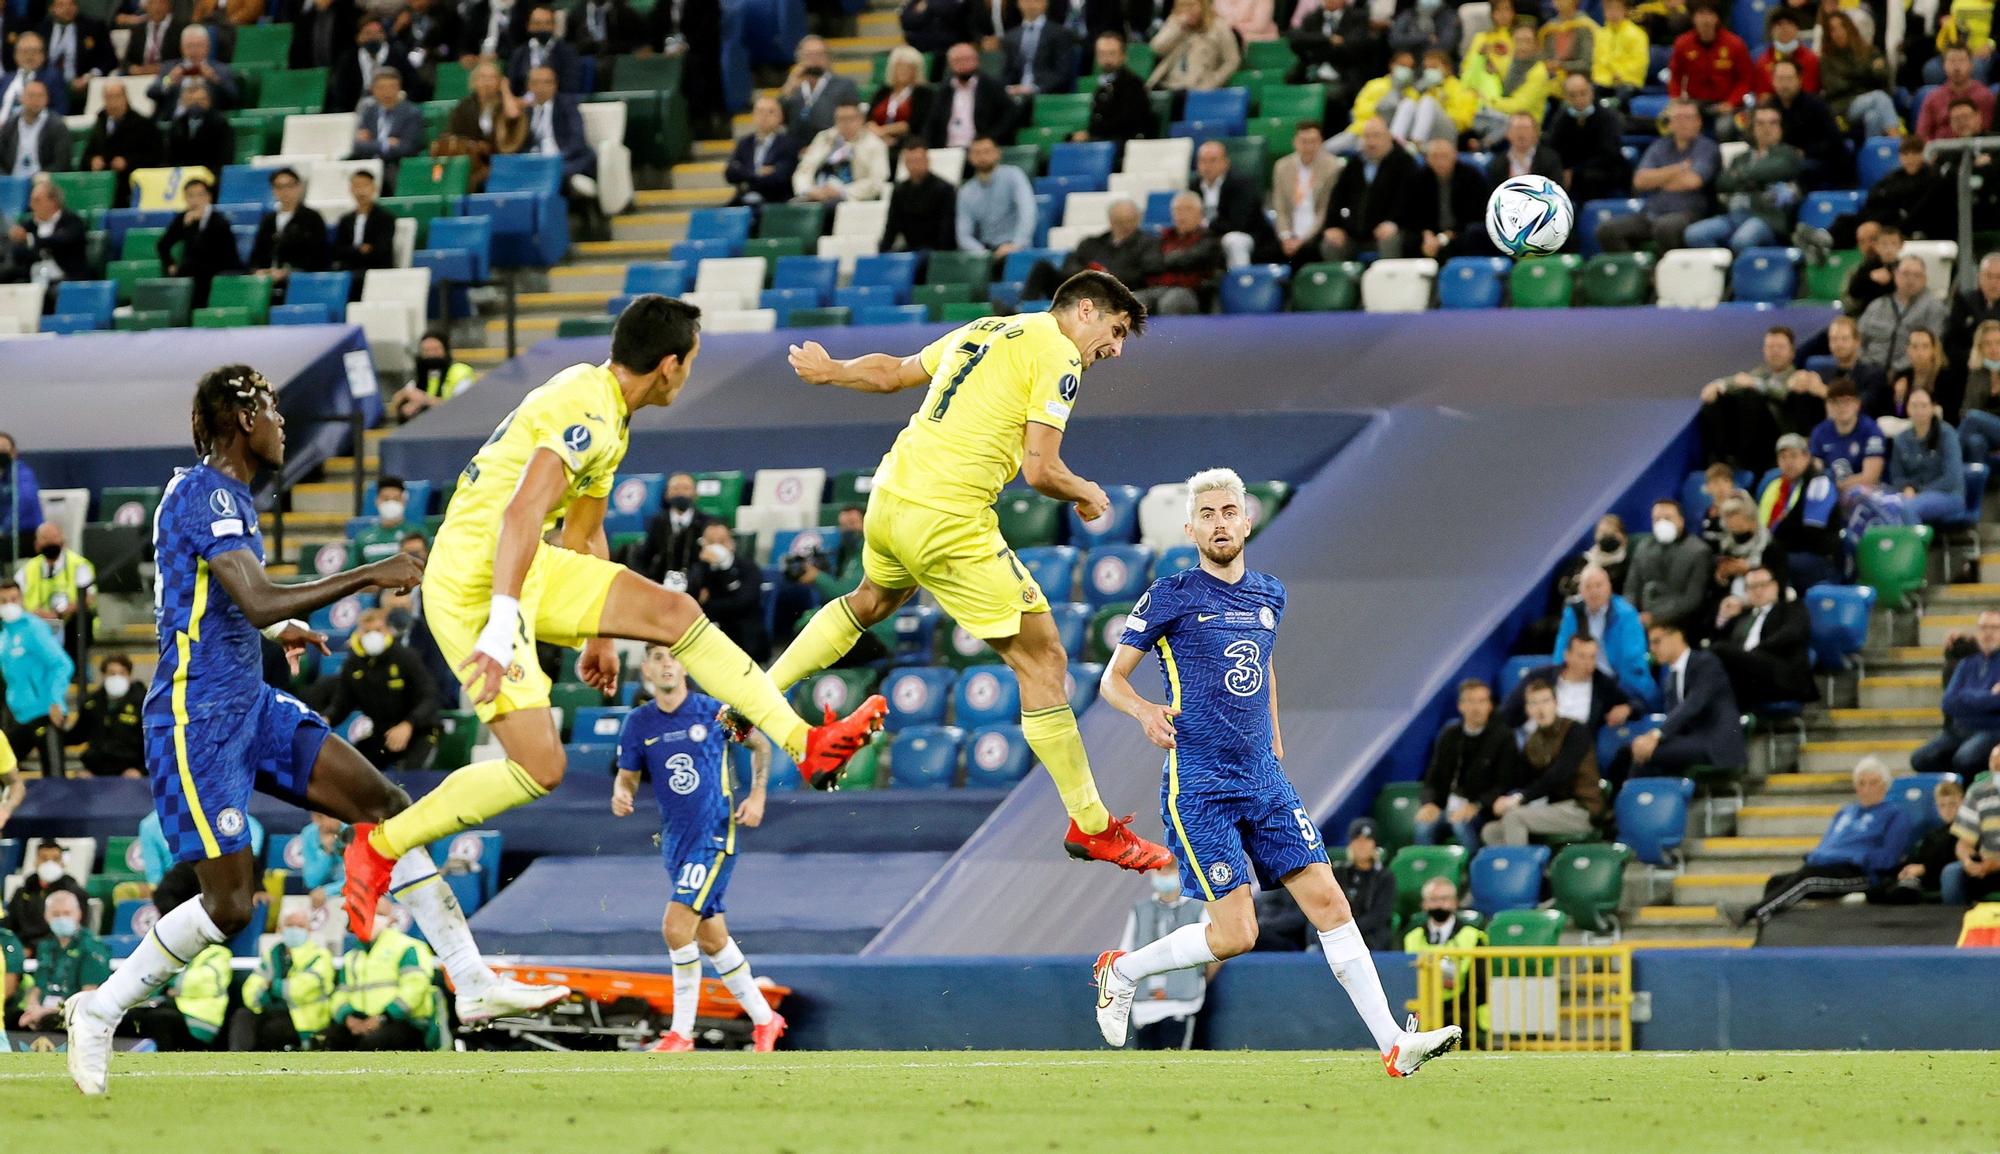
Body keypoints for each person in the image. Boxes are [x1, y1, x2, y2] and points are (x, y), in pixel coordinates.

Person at [62, 364, 568, 1097]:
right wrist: (368, 574)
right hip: (195, 721)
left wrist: (282, 625)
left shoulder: (221, 495)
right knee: (232, 906)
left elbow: (221, 602)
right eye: (271, 410)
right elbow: (257, 597)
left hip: (250, 703)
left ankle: (471, 978)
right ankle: (100, 1010)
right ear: (241, 418)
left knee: (387, 805)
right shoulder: (208, 492)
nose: (282, 424)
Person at [340, 298, 887, 939]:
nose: (690, 374)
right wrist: (500, 621)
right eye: (693, 362)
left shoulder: (609, 411)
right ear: (669, 364)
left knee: (674, 611)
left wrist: (598, 635)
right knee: (540, 769)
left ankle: (805, 746)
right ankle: (379, 847)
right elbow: (521, 514)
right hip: (472, 583)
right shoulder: (590, 410)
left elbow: (583, 532)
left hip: (521, 564)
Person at [769, 273, 1167, 865]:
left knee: (871, 600)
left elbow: (891, 372)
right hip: (947, 516)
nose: (1115, 349)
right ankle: (1092, 824)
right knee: (1044, 660)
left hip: (890, 497)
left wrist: (833, 370)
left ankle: (756, 695)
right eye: (1114, 331)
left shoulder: (983, 328)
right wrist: (1086, 492)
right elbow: (1041, 469)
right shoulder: (1060, 353)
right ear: (1084, 310)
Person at [1093, 469, 1461, 1074]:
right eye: (1206, 514)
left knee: (1332, 905)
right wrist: (1141, 712)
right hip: (1202, 784)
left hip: (1263, 778)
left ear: (1247, 520)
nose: (1218, 522)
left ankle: (1394, 1044)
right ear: (1190, 527)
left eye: (1228, 511)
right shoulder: (1172, 594)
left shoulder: (1270, 595)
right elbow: (1112, 679)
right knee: (1237, 935)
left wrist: (1275, 734)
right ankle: (1122, 969)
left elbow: (1262, 669)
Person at [612, 645, 785, 1052]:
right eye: (656, 657)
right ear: (646, 671)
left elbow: (761, 745)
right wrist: (621, 793)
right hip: (675, 842)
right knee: (712, 940)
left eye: (673, 655)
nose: (667, 662)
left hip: (714, 836)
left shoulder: (713, 711)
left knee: (675, 928)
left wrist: (758, 795)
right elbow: (627, 776)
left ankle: (681, 1033)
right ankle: (766, 1019)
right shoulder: (639, 723)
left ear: (686, 664)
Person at [1732, 757, 1911, 926]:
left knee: (1809, 878)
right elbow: (1827, 845)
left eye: (1873, 783)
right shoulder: (1845, 813)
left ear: (1885, 786)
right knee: (1776, 882)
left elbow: (1889, 858)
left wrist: (1855, 857)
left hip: (1859, 873)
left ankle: (1748, 914)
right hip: (1826, 867)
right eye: (1861, 783)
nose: (1866, 789)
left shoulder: (1896, 815)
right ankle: (1769, 939)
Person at [1612, 621, 1746, 781]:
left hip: (1716, 743)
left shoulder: (1707, 663)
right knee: (1627, 752)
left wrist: (1656, 735)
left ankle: (1638, 802)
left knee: (1645, 754)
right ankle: (1632, 801)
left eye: (1656, 641)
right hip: (1690, 742)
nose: (1652, 649)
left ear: (1676, 636)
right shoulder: (1670, 678)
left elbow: (1693, 704)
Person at [312, 606, 441, 768]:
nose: (373, 635)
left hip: (419, 730)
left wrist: (409, 724)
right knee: (357, 768)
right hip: (382, 734)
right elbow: (342, 704)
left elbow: (429, 697)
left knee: (411, 775)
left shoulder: (406, 657)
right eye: (367, 631)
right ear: (359, 633)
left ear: (387, 630)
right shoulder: (353, 664)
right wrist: (325, 719)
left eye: (378, 630)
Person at [1483, 678, 1603, 845]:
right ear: (1528, 709)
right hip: (1550, 809)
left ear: (1555, 703)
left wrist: (1520, 798)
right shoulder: (1532, 742)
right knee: (1491, 831)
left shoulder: (1575, 731)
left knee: (1515, 817)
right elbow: (1520, 780)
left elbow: (1560, 773)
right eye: (1533, 703)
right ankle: (1523, 865)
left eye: (1545, 701)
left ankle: (1522, 869)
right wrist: (1497, 800)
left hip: (1581, 808)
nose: (1540, 709)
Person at [1112, 864, 1216, 1049]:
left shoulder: (1197, 907)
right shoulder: (1140, 909)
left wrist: (1197, 980)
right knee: (1144, 1062)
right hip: (1144, 1002)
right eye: (1160, 870)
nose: (1164, 875)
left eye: (1170, 870)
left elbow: (1215, 949)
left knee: (1175, 1056)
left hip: (1181, 1000)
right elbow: (1125, 952)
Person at [1597, 98, 1717, 253]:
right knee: (1608, 230)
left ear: (1698, 122)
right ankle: (1637, 269)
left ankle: (1664, 273)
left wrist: (1657, 179)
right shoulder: (1659, 147)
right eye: (1677, 118)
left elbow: (1692, 181)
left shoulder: (1707, 148)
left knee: (1665, 227)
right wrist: (1679, 168)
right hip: (1652, 213)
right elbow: (1640, 181)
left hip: (1689, 213)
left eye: (1688, 118)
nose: (1682, 123)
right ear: (1670, 123)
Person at [1416, 678, 1518, 850]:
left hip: (1481, 810)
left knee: (1461, 824)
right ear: (1460, 706)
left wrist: (1476, 805)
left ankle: (1472, 871)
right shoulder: (1449, 735)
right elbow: (1432, 779)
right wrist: (1429, 803)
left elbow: (1504, 784)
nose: (1476, 708)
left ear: (1490, 705)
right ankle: (1428, 874)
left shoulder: (1503, 737)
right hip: (1446, 806)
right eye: (1470, 701)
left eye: (1482, 701)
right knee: (1423, 825)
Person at [1683, 104, 1800, 254]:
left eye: (1773, 123)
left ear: (1781, 127)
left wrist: (1741, 176)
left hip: (1767, 218)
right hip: (1734, 216)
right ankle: (1723, 269)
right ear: (1752, 127)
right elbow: (1722, 182)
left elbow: (1774, 170)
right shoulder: (1741, 158)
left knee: (1742, 240)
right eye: (1760, 123)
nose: (1766, 128)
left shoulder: (1788, 154)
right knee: (1694, 234)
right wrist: (1755, 180)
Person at [1698, 324, 1811, 473]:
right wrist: (1719, 385)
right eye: (1770, 347)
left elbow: (1784, 394)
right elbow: (1739, 380)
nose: (1775, 352)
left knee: (1751, 395)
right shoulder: (1761, 372)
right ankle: (1721, 459)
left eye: (1780, 347)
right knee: (1717, 400)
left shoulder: (1798, 376)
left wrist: (1756, 384)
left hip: (1778, 430)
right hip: (1750, 430)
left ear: (1792, 352)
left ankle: (1743, 462)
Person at [323, 910, 442, 1050]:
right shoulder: (352, 957)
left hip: (403, 1021)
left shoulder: (406, 947)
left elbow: (415, 987)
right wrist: (348, 1018)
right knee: (331, 1040)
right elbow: (340, 993)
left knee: (372, 1044)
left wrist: (383, 1017)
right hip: (360, 1020)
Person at [1310, 117, 1419, 262]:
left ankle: (1387, 282)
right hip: (1354, 234)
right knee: (1330, 243)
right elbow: (1337, 197)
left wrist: (1394, 223)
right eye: (1367, 136)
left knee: (1390, 240)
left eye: (1376, 136)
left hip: (1390, 231)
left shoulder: (1405, 163)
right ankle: (1340, 284)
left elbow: (1409, 200)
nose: (1371, 142)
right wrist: (1333, 226)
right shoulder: (1355, 164)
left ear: (1389, 137)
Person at [1552, 563, 1658, 709]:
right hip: (1583, 682)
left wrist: (1628, 700)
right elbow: (1561, 653)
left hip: (1618, 685)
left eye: (1598, 585)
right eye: (1588, 587)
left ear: (1609, 587)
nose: (1594, 591)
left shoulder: (1626, 615)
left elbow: (1632, 663)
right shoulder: (1573, 613)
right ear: (1580, 591)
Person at [229, 906, 335, 1050]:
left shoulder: (319, 955)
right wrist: (264, 995)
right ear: (281, 928)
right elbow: (250, 989)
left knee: (272, 1029)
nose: (294, 930)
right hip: (272, 1009)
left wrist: (272, 986)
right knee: (243, 1015)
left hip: (304, 1019)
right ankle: (238, 1061)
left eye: (300, 926)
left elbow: (302, 989)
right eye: (290, 925)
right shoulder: (273, 954)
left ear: (309, 930)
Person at [1709, 565, 1815, 706]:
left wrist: (1751, 654)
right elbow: (1719, 643)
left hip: (1779, 673)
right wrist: (1723, 617)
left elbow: (1791, 634)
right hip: (1746, 677)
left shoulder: (1791, 608)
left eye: (1763, 585)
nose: (1758, 591)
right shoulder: (1742, 617)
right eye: (1752, 587)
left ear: (1775, 586)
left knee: (1719, 653)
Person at [1914, 610, 2000, 776]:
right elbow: (1948, 702)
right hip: (1959, 729)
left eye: (1994, 628)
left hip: (1991, 730)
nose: (1988, 632)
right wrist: (1988, 696)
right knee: (1920, 759)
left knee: (1965, 759)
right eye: (1983, 628)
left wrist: (1966, 696)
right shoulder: (1967, 663)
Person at [1022, 196, 1160, 299]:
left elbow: (1147, 271)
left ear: (1138, 219)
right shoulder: (1091, 243)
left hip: (1116, 291)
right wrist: (1086, 273)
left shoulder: (1147, 243)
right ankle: (1023, 313)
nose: (1125, 226)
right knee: (1042, 267)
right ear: (1111, 221)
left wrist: (1107, 275)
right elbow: (1070, 265)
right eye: (1119, 221)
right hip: (1081, 286)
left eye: (1129, 220)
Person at [0, 578, 70, 774]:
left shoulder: (33, 628)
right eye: (3, 601)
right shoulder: (4, 635)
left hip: (46, 713)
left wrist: (55, 700)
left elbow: (62, 664)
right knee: (4, 769)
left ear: (21, 599)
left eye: (13, 599)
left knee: (55, 778)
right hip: (21, 717)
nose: (8, 605)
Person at [14, 890, 108, 1031]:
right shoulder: (45, 946)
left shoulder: (91, 947)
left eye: (67, 913)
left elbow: (89, 997)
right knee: (11, 1018)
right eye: (56, 914)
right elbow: (38, 987)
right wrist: (32, 1008)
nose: (61, 919)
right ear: (46, 916)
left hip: (76, 1016)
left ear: (79, 914)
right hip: (43, 1012)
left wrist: (46, 1013)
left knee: (48, 1021)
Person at [1499, 634, 1633, 731]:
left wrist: (1628, 708)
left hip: (1577, 751)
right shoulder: (1539, 677)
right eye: (1582, 656)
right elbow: (1508, 713)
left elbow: (1637, 704)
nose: (1588, 663)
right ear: (1567, 655)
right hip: (1536, 745)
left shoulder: (1602, 683)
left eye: (1592, 657)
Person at [1759, 433, 1842, 588]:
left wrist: (1781, 535)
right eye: (1783, 457)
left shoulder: (1819, 484)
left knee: (1770, 564)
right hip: (1791, 552)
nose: (1788, 462)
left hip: (1818, 559)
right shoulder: (1775, 487)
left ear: (1806, 457)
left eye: (1793, 456)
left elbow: (1812, 533)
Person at [434, 61, 526, 194]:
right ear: (474, 81)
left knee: (476, 181)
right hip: (470, 161)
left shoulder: (504, 104)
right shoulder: (465, 106)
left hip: (498, 160)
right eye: (482, 77)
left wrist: (505, 89)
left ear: (499, 81)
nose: (487, 82)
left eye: (492, 77)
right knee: (447, 174)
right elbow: (452, 133)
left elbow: (513, 115)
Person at [1625, 497, 1713, 633]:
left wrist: (1655, 618)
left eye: (1668, 518)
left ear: (1681, 521)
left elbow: (1692, 599)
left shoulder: (1699, 551)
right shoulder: (1642, 548)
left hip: (1679, 624)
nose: (1662, 523)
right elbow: (1631, 588)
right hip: (1640, 622)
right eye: (1657, 519)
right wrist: (1632, 616)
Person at [1191, 139, 1280, 267]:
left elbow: (1238, 223)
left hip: (1250, 236)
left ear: (1225, 163)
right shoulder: (1193, 187)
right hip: (1210, 236)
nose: (1207, 166)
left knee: (1233, 240)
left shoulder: (1242, 185)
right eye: (1203, 161)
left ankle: (1241, 280)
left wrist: (1205, 225)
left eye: (1212, 160)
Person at [521, 64, 597, 209]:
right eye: (536, 82)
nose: (542, 87)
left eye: (547, 82)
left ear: (555, 85)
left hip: (565, 160)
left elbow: (577, 140)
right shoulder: (525, 110)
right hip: (534, 162)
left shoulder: (568, 105)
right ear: (529, 86)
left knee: (553, 174)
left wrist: (555, 160)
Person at [1888, 386, 1966, 527]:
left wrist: (1918, 491)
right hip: (1912, 495)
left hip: (1948, 495)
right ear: (1907, 408)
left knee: (1909, 509)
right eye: (1914, 405)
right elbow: (1896, 476)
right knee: (1885, 507)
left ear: (1932, 408)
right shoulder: (1901, 439)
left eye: (1924, 405)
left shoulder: (1947, 434)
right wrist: (1906, 488)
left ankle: (1916, 548)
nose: (1919, 410)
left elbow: (1952, 478)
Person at [1668, 1, 1751, 130]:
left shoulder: (1735, 44)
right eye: (1701, 14)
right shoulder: (1682, 44)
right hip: (1695, 102)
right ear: (1693, 17)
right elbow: (1675, 76)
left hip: (1726, 103)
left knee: (1724, 128)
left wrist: (1731, 103)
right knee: (1668, 122)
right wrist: (1676, 99)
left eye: (1710, 14)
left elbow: (1745, 80)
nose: (1705, 20)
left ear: (1717, 17)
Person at [1883, 776, 1967, 902]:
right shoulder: (1934, 834)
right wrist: (1906, 869)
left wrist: (1924, 868)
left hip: (1939, 877)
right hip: (1921, 876)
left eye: (1952, 804)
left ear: (1962, 802)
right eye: (1942, 805)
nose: (1948, 810)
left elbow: (1954, 857)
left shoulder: (1967, 831)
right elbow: (1920, 855)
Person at [1550, 72, 1630, 203]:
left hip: (1603, 172)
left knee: (1590, 178)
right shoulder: (1561, 120)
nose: (1579, 99)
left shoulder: (1607, 117)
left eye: (1583, 93)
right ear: (1566, 98)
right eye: (1573, 95)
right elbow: (1553, 149)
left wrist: (1574, 172)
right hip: (1571, 172)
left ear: (1591, 92)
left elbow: (1609, 154)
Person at [1815, 10, 1895, 139]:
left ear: (1849, 28)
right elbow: (1835, 87)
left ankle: (1873, 154)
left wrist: (1852, 75)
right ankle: (1898, 142)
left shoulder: (1869, 50)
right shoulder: (1827, 59)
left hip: (1870, 101)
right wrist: (1867, 72)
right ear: (1828, 34)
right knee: (1879, 97)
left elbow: (1884, 76)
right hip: (1844, 106)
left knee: (1872, 117)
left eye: (1842, 26)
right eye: (1833, 29)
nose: (1839, 32)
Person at [954, 134, 1036, 259]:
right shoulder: (966, 191)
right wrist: (984, 253)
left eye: (987, 151)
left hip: (1017, 249)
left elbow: (1028, 212)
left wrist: (1016, 244)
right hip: (986, 252)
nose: (982, 157)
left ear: (998, 153)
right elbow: (963, 235)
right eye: (977, 152)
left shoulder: (1014, 175)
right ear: (970, 157)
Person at [792, 100, 890, 204]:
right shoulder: (824, 138)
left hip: (851, 199)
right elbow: (804, 170)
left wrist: (842, 191)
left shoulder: (875, 144)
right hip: (816, 194)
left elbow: (876, 181)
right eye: (841, 119)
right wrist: (808, 190)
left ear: (861, 120)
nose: (846, 124)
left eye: (851, 119)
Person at [248, 167, 329, 293]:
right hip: (267, 280)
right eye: (279, 187)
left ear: (298, 187)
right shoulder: (268, 220)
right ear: (273, 190)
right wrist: (258, 270)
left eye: (289, 186)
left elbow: (318, 256)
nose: (285, 191)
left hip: (299, 280)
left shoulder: (312, 218)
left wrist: (287, 272)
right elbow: (257, 254)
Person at [80, 81, 160, 207]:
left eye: (117, 96)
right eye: (109, 97)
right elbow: (86, 156)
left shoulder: (143, 125)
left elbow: (154, 158)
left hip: (130, 187)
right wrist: (92, 161)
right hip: (103, 187)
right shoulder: (100, 124)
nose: (113, 102)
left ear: (126, 98)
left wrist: (128, 163)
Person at [924, 41, 1017, 148]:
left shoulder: (991, 86)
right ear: (950, 65)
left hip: (980, 149)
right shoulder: (943, 92)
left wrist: (989, 139)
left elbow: (1008, 116)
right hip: (948, 149)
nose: (963, 64)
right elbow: (932, 123)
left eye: (967, 59)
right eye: (958, 61)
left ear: (977, 60)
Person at [1143, 191, 1223, 314]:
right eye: (1177, 210)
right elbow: (1150, 263)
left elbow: (1194, 259)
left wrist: (1168, 260)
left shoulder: (1209, 239)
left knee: (1171, 301)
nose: (1182, 215)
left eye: (1188, 209)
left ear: (1200, 214)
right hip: (1159, 288)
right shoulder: (1163, 237)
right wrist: (1174, 260)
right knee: (1132, 302)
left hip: (1191, 292)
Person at [1271, 121, 1340, 262]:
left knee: (1313, 249)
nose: (1308, 147)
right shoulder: (1282, 167)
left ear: (1321, 142)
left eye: (1313, 141)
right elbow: (1280, 207)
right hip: (1290, 230)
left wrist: (1302, 240)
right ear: (1295, 142)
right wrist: (1286, 236)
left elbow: (1325, 209)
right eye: (1304, 141)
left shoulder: (1333, 167)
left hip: (1317, 230)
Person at [1, 175, 84, 286]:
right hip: (34, 280)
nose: (31, 205)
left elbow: (61, 241)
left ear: (53, 201)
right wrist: (16, 240)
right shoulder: (30, 225)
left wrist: (29, 239)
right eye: (31, 200)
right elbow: (18, 254)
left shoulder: (72, 221)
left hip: (67, 280)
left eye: (37, 200)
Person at [70, 654, 145, 777]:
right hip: (97, 769)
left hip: (130, 768)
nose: (117, 677)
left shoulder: (141, 702)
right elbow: (77, 735)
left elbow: (149, 742)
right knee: (81, 778)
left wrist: (141, 770)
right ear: (103, 675)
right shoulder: (92, 703)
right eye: (111, 673)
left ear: (129, 676)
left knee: (133, 778)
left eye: (122, 673)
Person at [634, 472, 713, 589]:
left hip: (696, 586)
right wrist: (647, 582)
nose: (681, 493)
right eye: (675, 488)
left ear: (696, 494)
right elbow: (644, 555)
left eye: (686, 488)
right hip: (661, 585)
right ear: (667, 494)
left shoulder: (707, 522)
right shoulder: (658, 522)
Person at [781, 34, 862, 144]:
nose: (814, 60)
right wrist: (789, 88)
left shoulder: (844, 85)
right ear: (799, 58)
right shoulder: (794, 87)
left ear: (828, 58)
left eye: (819, 54)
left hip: (831, 147)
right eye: (809, 55)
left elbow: (853, 121)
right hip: (795, 149)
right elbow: (778, 118)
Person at [5, 840, 87, 948]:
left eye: (55, 859)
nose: (50, 863)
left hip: (56, 949)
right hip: (21, 949)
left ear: (62, 863)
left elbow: (76, 929)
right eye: (44, 859)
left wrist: (33, 948)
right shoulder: (22, 893)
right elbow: (11, 925)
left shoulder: (74, 894)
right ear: (36, 862)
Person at [1288, 0, 1376, 100]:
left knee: (1330, 97)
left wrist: (1316, 48)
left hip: (1344, 75)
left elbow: (1353, 48)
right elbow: (1295, 40)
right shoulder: (1313, 17)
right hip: (1312, 74)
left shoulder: (1357, 17)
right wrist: (1328, 39)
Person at [879, 139, 957, 252]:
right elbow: (891, 226)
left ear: (927, 161)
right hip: (910, 247)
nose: (914, 166)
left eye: (918, 161)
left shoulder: (944, 189)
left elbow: (947, 229)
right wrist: (882, 253)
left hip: (936, 249)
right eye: (910, 161)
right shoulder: (899, 190)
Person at [349, 66, 426, 179]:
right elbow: (358, 146)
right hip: (369, 165)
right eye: (381, 88)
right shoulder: (369, 112)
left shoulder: (412, 113)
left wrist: (372, 143)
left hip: (397, 166)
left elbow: (408, 148)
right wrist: (386, 144)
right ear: (373, 90)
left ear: (399, 88)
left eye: (391, 87)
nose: (386, 92)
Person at [1943, 756, 2000, 904]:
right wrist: (1968, 861)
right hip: (1986, 866)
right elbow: (1963, 843)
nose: (1997, 769)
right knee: (1952, 874)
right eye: (1995, 765)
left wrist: (1995, 863)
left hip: (1993, 864)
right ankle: (1959, 925)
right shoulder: (1977, 792)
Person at [1149, 0, 1241, 92]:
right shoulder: (1175, 22)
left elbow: (1232, 61)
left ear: (1204, 6)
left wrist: (1213, 81)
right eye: (1183, 6)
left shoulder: (1219, 27)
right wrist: (1178, 28)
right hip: (1168, 85)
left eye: (1192, 5)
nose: (1188, 10)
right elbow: (1156, 48)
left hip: (1198, 88)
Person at [1078, 32, 1153, 143]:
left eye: (1112, 53)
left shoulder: (1133, 84)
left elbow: (1129, 122)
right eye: (1102, 54)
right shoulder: (1101, 85)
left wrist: (1092, 134)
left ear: (1123, 56)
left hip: (1122, 143)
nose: (1107, 59)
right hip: (1101, 141)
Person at [725, 94, 797, 208]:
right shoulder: (744, 143)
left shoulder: (788, 144)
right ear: (753, 115)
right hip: (743, 200)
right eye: (760, 111)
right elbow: (731, 173)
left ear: (780, 117)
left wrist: (746, 174)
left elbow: (779, 178)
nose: (764, 116)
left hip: (774, 203)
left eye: (770, 112)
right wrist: (756, 172)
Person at [390, 331, 477, 420]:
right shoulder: (423, 374)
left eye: (435, 349)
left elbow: (461, 407)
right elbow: (397, 399)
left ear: (445, 350)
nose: (431, 354)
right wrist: (406, 395)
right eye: (426, 350)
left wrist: (424, 400)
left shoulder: (460, 371)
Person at [146, 24, 236, 109]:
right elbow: (151, 93)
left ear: (208, 47)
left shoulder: (221, 70)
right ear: (181, 48)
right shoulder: (168, 68)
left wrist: (214, 79)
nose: (194, 51)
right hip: (175, 120)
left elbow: (233, 98)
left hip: (208, 120)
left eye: (199, 45)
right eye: (189, 46)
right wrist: (169, 80)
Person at [1917, 45, 1994, 141]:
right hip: (1940, 152)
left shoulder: (1985, 96)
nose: (1957, 67)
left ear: (1971, 65)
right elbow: (1922, 135)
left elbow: (1988, 131)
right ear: (1943, 65)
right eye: (1952, 61)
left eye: (1962, 61)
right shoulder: (1933, 98)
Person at [1003, 0, 1080, 96]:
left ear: (1045, 3)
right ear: (1019, 3)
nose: (1031, 4)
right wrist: (1008, 88)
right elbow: (1006, 71)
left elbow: (1062, 72)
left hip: (1047, 94)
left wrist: (1034, 89)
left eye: (1036, 1)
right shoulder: (1010, 37)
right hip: (1015, 93)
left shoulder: (1060, 34)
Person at [332, 168, 396, 282]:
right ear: (351, 189)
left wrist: (353, 251)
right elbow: (338, 250)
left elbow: (380, 250)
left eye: (365, 185)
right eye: (357, 186)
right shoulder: (345, 220)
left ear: (374, 188)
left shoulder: (385, 218)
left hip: (376, 270)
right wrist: (359, 250)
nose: (361, 191)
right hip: (349, 269)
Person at [0, 80, 68, 180]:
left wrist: (42, 176)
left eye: (40, 96)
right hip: (12, 182)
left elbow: (62, 163)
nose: (36, 100)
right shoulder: (10, 126)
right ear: (21, 98)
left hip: (43, 182)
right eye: (31, 95)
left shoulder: (57, 126)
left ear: (47, 99)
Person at [162, 78, 233, 173]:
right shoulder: (178, 124)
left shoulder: (220, 123)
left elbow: (225, 157)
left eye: (200, 100)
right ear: (184, 102)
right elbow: (169, 156)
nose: (196, 105)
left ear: (209, 101)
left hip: (210, 175)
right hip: (181, 176)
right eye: (191, 100)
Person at [505, 5, 578, 93]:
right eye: (537, 24)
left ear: (554, 25)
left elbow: (571, 86)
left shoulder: (567, 52)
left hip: (557, 104)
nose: (542, 28)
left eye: (547, 23)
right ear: (529, 26)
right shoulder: (519, 53)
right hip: (523, 103)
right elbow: (512, 84)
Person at [1956, 320, 2000, 461]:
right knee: (1976, 442)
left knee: (1974, 417)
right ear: (1980, 347)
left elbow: (1971, 416)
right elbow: (1966, 410)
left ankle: (1943, 461)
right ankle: (1979, 480)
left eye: (1998, 342)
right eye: (1988, 344)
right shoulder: (1977, 373)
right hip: (1985, 431)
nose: (1994, 348)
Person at [1593, 0, 1650, 100]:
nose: (1612, 12)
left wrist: (1620, 74)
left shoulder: (1638, 34)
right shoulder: (1600, 34)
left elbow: (1640, 63)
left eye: (1616, 8)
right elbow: (1597, 62)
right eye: (1608, 9)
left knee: (1622, 95)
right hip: (1603, 81)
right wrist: (1607, 77)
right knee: (1588, 93)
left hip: (1629, 81)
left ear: (1625, 10)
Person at [1, 34, 66, 120]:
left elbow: (60, 110)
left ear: (43, 55)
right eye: (24, 51)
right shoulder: (6, 78)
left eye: (34, 51)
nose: (29, 56)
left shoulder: (52, 77)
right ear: (15, 55)